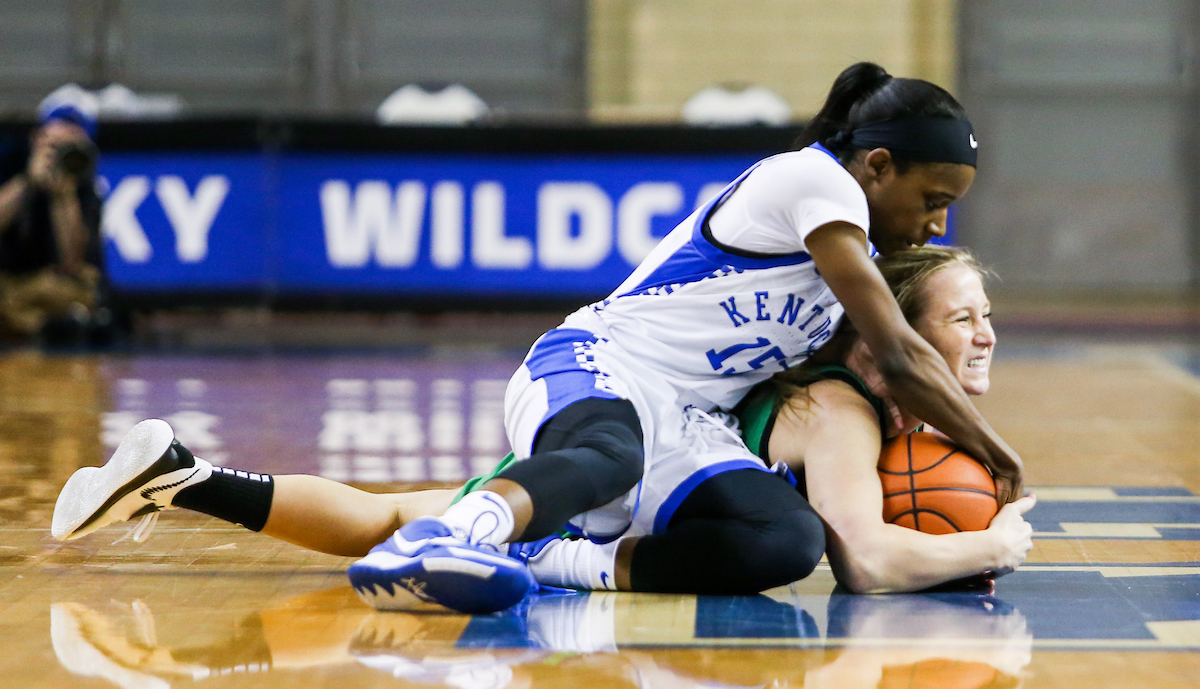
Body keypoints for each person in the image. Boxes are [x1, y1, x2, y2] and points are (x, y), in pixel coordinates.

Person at [53, 62, 1026, 613]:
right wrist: (993, 449)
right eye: (933, 202)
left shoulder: (833, 301)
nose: (937, 222)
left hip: (684, 427)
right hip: (601, 365)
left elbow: (884, 374)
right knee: (593, 456)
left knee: (782, 537)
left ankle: (181, 476)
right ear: (879, 164)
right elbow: (899, 349)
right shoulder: (810, 181)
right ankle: (469, 536)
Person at [51, 245, 1033, 599]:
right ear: (897, 331)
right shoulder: (844, 411)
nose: (986, 334)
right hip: (644, 484)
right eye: (965, 317)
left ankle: (180, 475)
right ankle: (549, 566)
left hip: (654, 464)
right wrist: (991, 540)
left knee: (402, 514)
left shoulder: (846, 385)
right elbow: (865, 561)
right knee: (423, 518)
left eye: (987, 316)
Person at [0, 88, 106, 345]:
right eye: (55, 143)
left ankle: (37, 324)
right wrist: (27, 182)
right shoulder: (10, 161)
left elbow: (72, 262)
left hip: (51, 285)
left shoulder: (86, 187)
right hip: (8, 278)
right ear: (37, 137)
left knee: (80, 293)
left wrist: (63, 195)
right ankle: (40, 325)